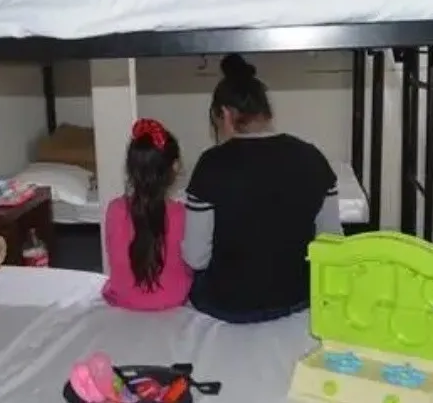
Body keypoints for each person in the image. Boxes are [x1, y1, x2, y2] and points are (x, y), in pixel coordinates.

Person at [184, 54, 342, 324]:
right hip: (298, 296)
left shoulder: (211, 165)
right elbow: (332, 241)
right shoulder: (312, 157)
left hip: (229, 304)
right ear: (268, 112)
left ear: (226, 114)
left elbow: (196, 258)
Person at [101, 118, 191, 311]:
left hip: (124, 297)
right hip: (173, 297)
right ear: (174, 166)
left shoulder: (114, 210)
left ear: (130, 168)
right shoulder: (181, 214)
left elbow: (115, 261)